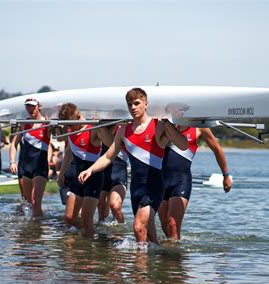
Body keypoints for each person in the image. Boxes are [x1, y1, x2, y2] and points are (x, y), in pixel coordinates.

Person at [78, 88, 188, 243]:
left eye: (137, 103)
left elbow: (183, 145)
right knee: (149, 237)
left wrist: (167, 123)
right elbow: (109, 156)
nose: (133, 108)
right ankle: (156, 262)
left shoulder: (158, 125)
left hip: (154, 187)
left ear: (146, 104)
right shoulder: (124, 130)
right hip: (136, 189)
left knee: (137, 227)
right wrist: (90, 169)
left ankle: (139, 267)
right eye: (130, 105)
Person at [157, 104, 232, 240]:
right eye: (178, 109)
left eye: (183, 109)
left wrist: (225, 175)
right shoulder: (162, 126)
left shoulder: (199, 128)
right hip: (161, 180)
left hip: (181, 180)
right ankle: (169, 259)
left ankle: (175, 259)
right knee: (164, 226)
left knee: (173, 224)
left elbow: (217, 149)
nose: (181, 112)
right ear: (169, 111)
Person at [57, 103, 113, 238]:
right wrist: (62, 173)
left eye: (70, 125)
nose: (67, 128)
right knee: (69, 218)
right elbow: (69, 151)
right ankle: (95, 234)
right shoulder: (71, 130)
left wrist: (99, 127)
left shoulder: (92, 129)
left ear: (77, 116)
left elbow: (112, 143)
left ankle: (90, 252)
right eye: (66, 125)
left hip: (93, 178)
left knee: (86, 220)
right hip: (78, 178)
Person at [9, 97, 51, 217]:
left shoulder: (46, 123)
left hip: (40, 166)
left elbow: (57, 137)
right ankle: (31, 230)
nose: (30, 109)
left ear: (39, 107)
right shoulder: (23, 124)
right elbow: (13, 144)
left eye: (33, 106)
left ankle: (39, 229)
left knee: (35, 201)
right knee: (27, 202)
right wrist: (12, 162)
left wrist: (53, 126)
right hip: (26, 167)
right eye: (27, 106)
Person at [97, 125, 128, 224]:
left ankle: (120, 230)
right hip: (103, 173)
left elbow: (111, 143)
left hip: (119, 173)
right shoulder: (100, 127)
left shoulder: (123, 129)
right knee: (101, 210)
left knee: (115, 206)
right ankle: (102, 235)